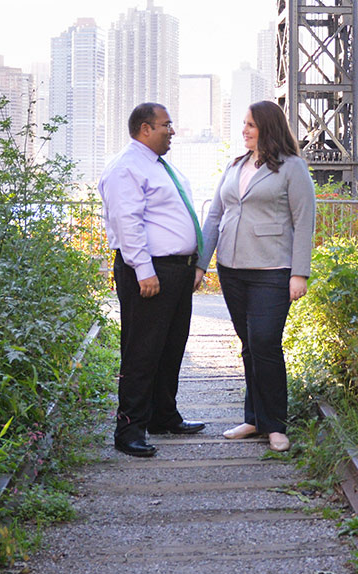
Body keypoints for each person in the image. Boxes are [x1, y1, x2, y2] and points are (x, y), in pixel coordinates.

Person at [196, 100, 315, 453]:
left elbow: (304, 221)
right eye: (244, 124)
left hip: (272, 270)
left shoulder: (292, 168)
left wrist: (300, 274)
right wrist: (202, 265)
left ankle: (275, 424)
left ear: (268, 127)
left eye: (251, 124)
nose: (244, 130)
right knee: (250, 345)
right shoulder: (235, 166)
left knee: (265, 341)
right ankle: (254, 418)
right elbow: (215, 216)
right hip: (232, 270)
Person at [97, 102, 208, 458]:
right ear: (145, 129)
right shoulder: (126, 168)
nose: (172, 130)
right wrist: (144, 269)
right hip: (149, 272)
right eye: (166, 125)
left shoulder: (158, 166)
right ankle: (129, 429)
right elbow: (127, 221)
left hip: (174, 270)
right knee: (141, 352)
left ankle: (163, 415)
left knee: (171, 346)